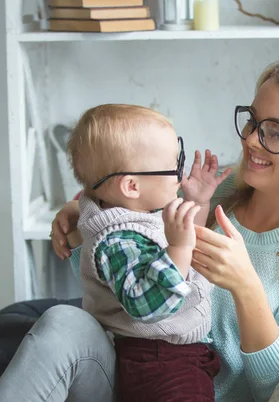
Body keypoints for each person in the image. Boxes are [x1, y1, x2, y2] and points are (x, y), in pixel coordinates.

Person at [0, 56, 279, 402]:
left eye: (274, 131)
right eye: (252, 120)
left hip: (190, 389)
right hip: (126, 366)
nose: (250, 140)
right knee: (61, 321)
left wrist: (247, 288)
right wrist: (86, 218)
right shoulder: (224, 189)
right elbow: (123, 272)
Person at [64, 104, 225, 401]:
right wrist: (177, 246)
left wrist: (197, 203)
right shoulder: (118, 241)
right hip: (159, 360)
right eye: (173, 167)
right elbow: (148, 306)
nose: (180, 174)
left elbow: (188, 253)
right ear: (132, 186)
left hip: (170, 353)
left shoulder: (136, 213)